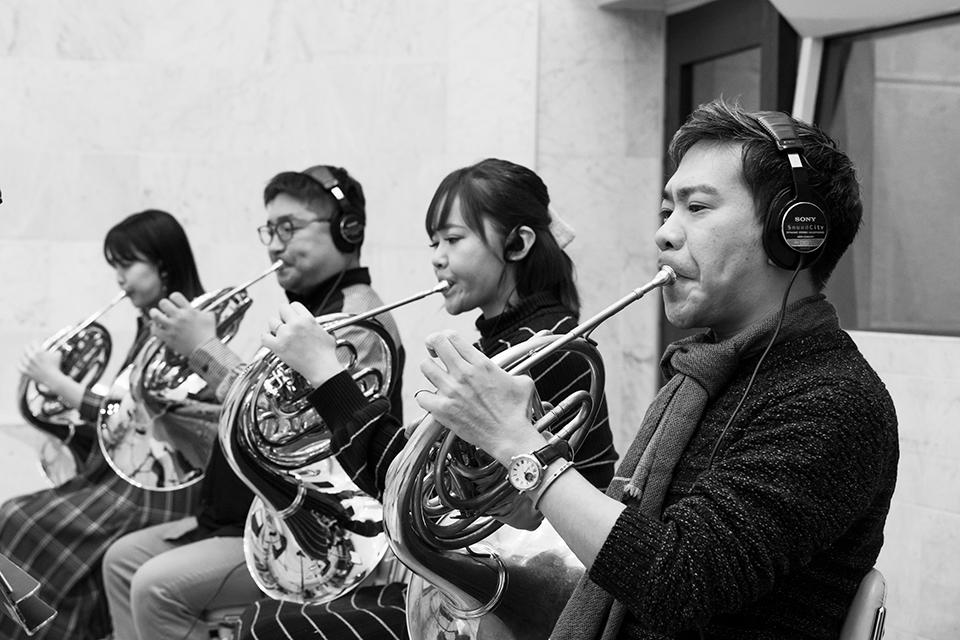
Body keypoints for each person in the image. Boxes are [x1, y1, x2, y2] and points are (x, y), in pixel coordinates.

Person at [415, 101, 900, 639]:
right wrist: (523, 491)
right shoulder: (706, 376)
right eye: (667, 211)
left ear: (792, 233)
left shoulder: (832, 399)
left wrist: (520, 447)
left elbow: (680, 582)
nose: (664, 234)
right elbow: (639, 538)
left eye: (696, 208)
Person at [235, 157, 619, 639]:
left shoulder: (545, 347)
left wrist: (325, 372)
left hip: (536, 606)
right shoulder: (507, 342)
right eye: (433, 242)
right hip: (488, 581)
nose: (437, 256)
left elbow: (397, 481)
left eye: (453, 240)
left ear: (517, 244)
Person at [101, 164, 405, 640]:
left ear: (349, 232)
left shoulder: (357, 319)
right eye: (270, 229)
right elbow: (257, 416)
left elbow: (296, 431)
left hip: (314, 531)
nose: (274, 243)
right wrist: (173, 412)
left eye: (290, 228)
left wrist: (205, 347)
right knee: (121, 561)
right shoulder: (306, 314)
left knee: (153, 587)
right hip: (247, 512)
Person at [1, 210, 206, 640]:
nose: (118, 278)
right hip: (118, 481)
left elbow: (137, 415)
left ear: (163, 265)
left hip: (156, 491)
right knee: (14, 518)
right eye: (114, 266)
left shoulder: (189, 327)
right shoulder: (147, 326)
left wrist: (58, 381)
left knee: (18, 519)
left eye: (127, 264)